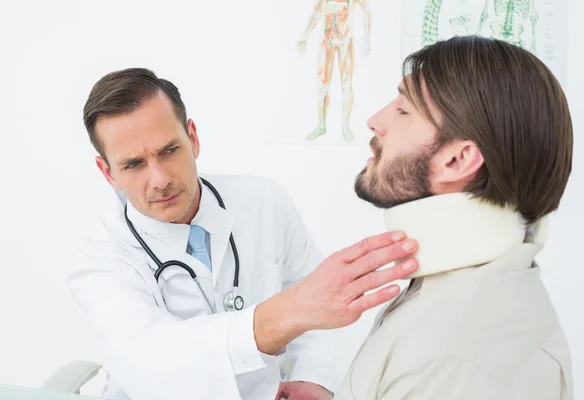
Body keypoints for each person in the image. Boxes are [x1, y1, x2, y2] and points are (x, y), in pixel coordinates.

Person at [65, 68, 420, 400]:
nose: (159, 179)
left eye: (169, 150)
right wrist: (282, 315)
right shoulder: (100, 260)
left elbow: (318, 311)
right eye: (134, 164)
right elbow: (154, 360)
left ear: (193, 138)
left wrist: (314, 377)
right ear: (108, 173)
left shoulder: (264, 202)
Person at [334, 35, 574, 399]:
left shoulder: (449, 355)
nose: (375, 121)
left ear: (457, 160)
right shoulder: (486, 292)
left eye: (403, 110)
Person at [297, 0, 371, 142]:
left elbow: (367, 10)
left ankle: (345, 126)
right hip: (327, 41)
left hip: (345, 42)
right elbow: (316, 13)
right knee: (322, 85)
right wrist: (304, 37)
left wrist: (367, 38)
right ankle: (321, 125)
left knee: (347, 84)